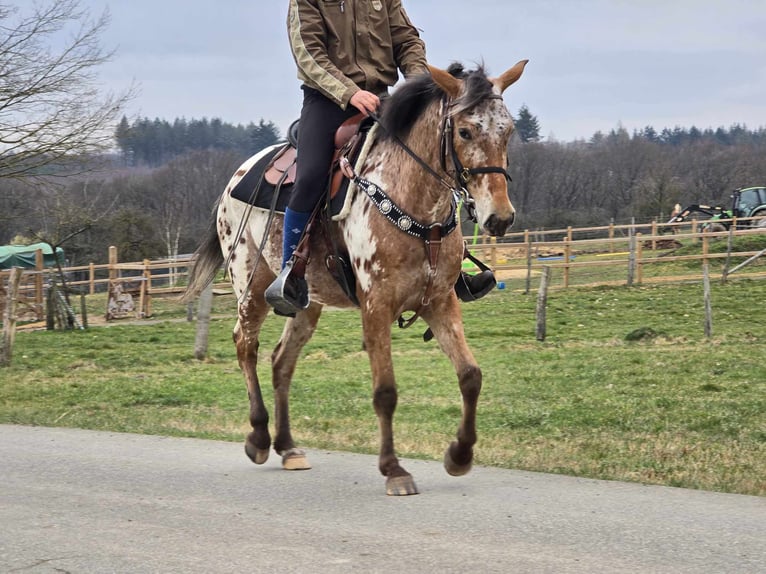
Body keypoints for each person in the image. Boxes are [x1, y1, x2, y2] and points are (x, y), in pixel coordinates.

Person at [266, 0, 496, 316]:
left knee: (431, 160)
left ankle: (453, 265)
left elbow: (407, 40)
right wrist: (349, 93)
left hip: (382, 99)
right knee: (310, 177)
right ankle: (290, 270)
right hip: (327, 102)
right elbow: (310, 56)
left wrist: (419, 86)